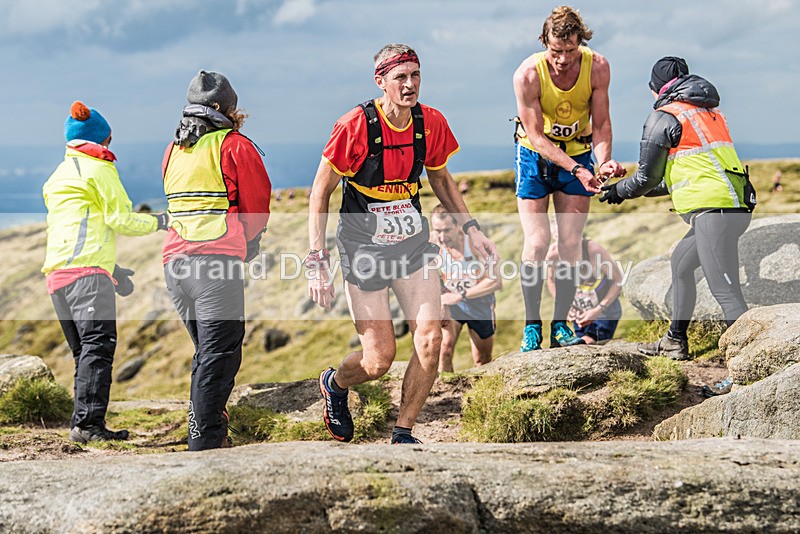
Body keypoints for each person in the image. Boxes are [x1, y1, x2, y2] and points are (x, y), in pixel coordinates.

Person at [308, 43, 497, 444]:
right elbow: (320, 192)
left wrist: (471, 228)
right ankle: (336, 384)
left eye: (415, 76)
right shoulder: (354, 126)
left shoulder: (431, 123)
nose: (410, 85)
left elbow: (441, 178)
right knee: (378, 360)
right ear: (381, 81)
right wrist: (316, 259)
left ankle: (403, 431)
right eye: (400, 78)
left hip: (411, 244)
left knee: (430, 339)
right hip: (363, 247)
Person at [599, 57, 753, 397]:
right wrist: (628, 189)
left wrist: (618, 192)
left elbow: (645, 178)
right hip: (730, 205)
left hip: (715, 212)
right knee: (681, 264)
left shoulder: (664, 116)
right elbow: (682, 175)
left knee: (725, 291)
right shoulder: (708, 113)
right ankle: (674, 341)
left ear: (655, 88)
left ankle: (746, 373)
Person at [43, 101, 168, 444]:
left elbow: (76, 229)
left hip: (57, 277)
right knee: (98, 348)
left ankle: (83, 422)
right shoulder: (99, 169)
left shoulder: (58, 175)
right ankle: (88, 426)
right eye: (110, 139)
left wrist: (112, 269)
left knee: (84, 353)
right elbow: (121, 219)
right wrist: (161, 221)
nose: (111, 146)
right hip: (85, 277)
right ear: (100, 139)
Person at [162, 70, 272, 450]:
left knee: (207, 353)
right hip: (213, 264)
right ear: (226, 109)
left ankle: (205, 430)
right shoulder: (234, 145)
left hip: (174, 266)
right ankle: (205, 442)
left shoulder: (173, 149)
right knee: (220, 354)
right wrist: (250, 244)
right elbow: (257, 208)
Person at [513, 5, 626, 352]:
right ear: (545, 42)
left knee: (569, 245)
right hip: (535, 156)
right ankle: (532, 326)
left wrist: (603, 161)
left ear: (581, 43)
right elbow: (537, 136)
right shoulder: (528, 74)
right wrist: (577, 168)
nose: (562, 59)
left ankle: (560, 324)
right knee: (536, 243)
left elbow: (602, 123)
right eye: (555, 51)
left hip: (578, 152)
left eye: (570, 51)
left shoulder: (598, 67)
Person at [430, 205, 502, 372]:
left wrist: (462, 295)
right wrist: (440, 298)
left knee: (481, 360)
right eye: (437, 230)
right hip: (450, 302)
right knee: (444, 350)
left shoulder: (476, 244)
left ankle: (481, 395)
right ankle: (445, 392)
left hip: (479, 302)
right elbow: (428, 275)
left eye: (447, 230)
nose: (442, 236)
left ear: (457, 227)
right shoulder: (433, 243)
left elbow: (496, 282)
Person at [545, 234, 623, 344]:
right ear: (553, 235)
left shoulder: (594, 251)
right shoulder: (552, 255)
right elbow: (551, 280)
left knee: (588, 342)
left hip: (605, 309)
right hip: (580, 311)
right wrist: (564, 308)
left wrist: (598, 310)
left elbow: (618, 280)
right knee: (581, 343)